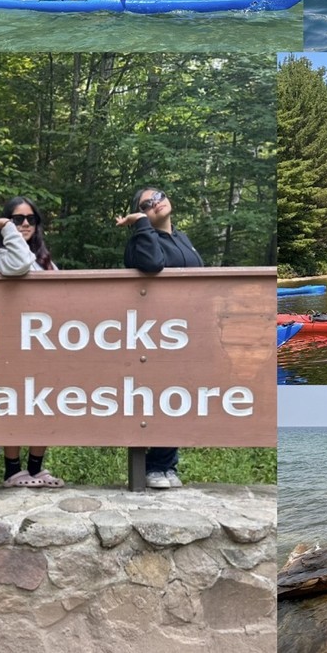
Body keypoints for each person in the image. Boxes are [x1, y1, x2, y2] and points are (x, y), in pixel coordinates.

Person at [116, 187, 203, 488]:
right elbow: (152, 264)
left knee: (180, 397)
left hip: (187, 331)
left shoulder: (183, 239)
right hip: (155, 334)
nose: (156, 203)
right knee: (159, 397)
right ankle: (154, 466)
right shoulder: (141, 242)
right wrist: (141, 223)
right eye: (146, 204)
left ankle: (167, 463)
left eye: (159, 196)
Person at [0, 197, 65, 489]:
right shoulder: (2, 256)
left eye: (30, 219)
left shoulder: (46, 260)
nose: (25, 223)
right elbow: (19, 265)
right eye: (17, 219)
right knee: (15, 404)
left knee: (44, 405)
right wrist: (7, 231)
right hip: (13, 343)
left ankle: (36, 468)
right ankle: (12, 471)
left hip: (46, 343)